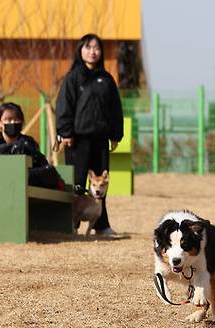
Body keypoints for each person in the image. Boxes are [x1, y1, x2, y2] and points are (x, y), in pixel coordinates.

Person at [56, 33, 123, 237]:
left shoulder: (107, 79)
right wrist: (65, 132)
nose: (92, 51)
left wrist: (116, 134)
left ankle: (101, 225)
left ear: (101, 52)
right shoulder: (73, 77)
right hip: (77, 139)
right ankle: (71, 224)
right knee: (76, 183)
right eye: (88, 47)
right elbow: (64, 105)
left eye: (96, 48)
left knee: (100, 184)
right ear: (81, 50)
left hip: (101, 139)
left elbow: (115, 109)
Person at [0, 102, 64, 190]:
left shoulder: (28, 142)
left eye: (16, 119)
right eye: (8, 119)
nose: (13, 122)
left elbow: (42, 165)